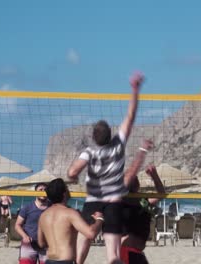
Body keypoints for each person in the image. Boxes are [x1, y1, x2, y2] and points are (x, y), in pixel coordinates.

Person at [67, 72, 144, 264]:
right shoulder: (118, 145)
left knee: (82, 245)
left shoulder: (89, 151)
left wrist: (74, 178)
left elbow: (72, 172)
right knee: (113, 255)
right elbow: (131, 115)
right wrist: (135, 88)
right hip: (113, 202)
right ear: (110, 135)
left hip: (93, 201)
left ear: (93, 137)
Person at [37, 178, 104, 264]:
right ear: (64, 193)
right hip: (66, 261)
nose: (69, 190)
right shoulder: (70, 213)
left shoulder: (43, 216)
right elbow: (91, 234)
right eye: (67, 187)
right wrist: (99, 219)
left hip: (49, 260)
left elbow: (41, 243)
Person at [121, 164, 165, 264]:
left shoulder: (142, 200)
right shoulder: (122, 200)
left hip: (134, 252)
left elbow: (161, 194)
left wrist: (154, 175)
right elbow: (162, 194)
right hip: (128, 251)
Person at [15, 183, 49, 264]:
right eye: (41, 190)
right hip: (29, 244)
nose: (43, 192)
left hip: (47, 245)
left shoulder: (52, 207)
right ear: (35, 192)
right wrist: (24, 236)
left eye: (45, 190)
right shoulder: (27, 208)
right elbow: (17, 225)